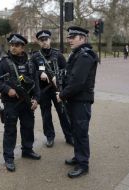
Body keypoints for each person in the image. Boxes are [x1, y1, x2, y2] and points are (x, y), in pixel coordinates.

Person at [0, 33, 41, 172]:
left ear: (23, 47)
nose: (13, 47)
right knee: (10, 130)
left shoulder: (30, 63)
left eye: (17, 45)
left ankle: (27, 150)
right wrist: (7, 90)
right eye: (12, 45)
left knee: (28, 127)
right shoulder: (4, 62)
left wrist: (37, 99)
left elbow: (36, 83)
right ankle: (9, 157)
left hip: (27, 102)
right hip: (11, 103)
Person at [56, 26, 98, 178]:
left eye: (72, 37)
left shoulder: (85, 56)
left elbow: (78, 82)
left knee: (81, 133)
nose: (69, 40)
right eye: (69, 37)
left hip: (81, 101)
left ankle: (83, 165)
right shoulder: (77, 54)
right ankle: (78, 156)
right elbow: (70, 75)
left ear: (82, 38)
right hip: (74, 100)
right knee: (75, 130)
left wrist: (62, 95)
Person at [31, 30, 74, 148]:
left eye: (46, 39)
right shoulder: (36, 56)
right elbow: (32, 71)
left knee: (63, 113)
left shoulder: (58, 54)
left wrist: (57, 76)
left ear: (50, 39)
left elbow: (66, 70)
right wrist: (40, 73)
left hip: (57, 89)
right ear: (39, 42)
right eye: (42, 40)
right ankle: (49, 137)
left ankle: (69, 136)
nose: (44, 42)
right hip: (44, 91)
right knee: (46, 115)